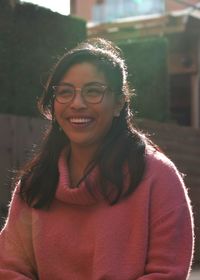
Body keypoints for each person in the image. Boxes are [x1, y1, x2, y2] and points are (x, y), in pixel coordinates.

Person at [0, 38, 194, 279]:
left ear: (119, 103)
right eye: (65, 92)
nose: (77, 104)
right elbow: (8, 268)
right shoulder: (36, 183)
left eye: (93, 92)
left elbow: (167, 273)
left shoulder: (158, 177)